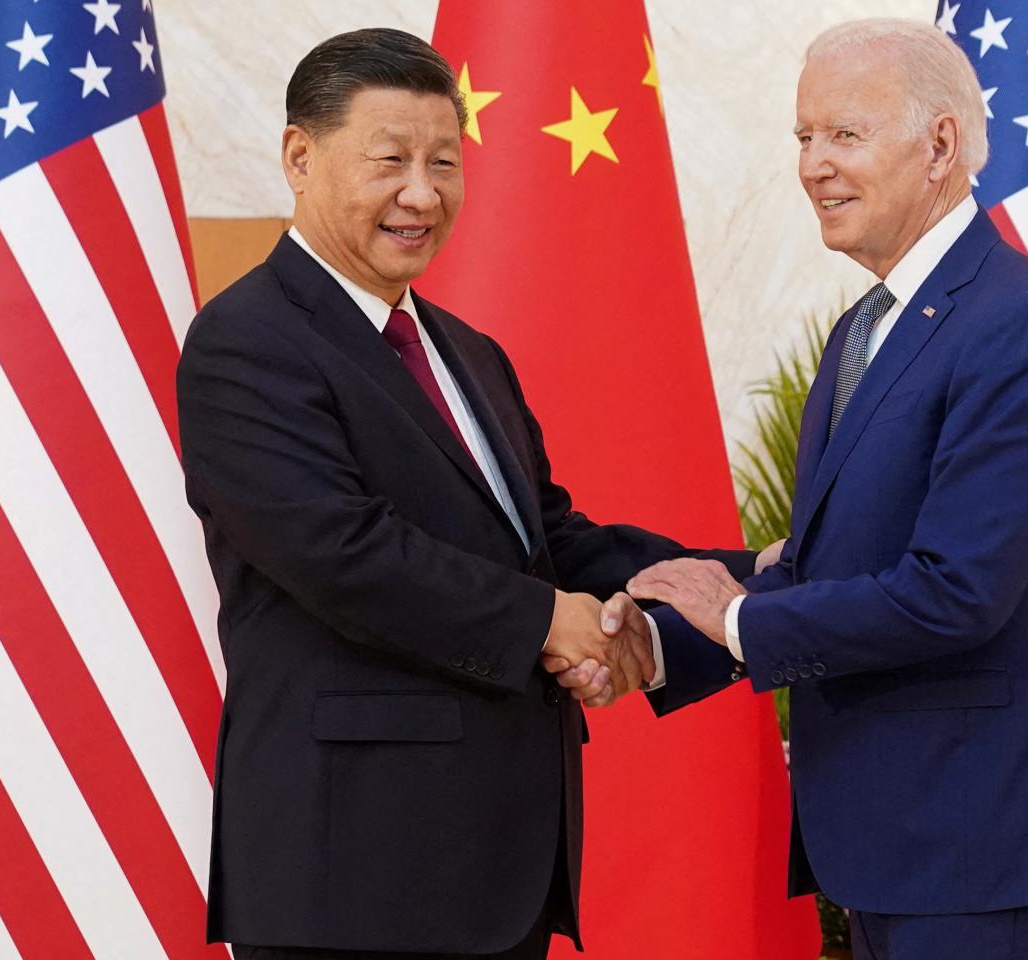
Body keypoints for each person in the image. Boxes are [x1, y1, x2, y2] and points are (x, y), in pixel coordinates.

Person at [176, 28, 761, 960]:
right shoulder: (244, 341)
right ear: (300, 156)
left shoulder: (468, 352)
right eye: (391, 161)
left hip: (496, 867)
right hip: (350, 877)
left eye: (444, 162)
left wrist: (745, 576)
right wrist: (550, 623)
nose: (423, 193)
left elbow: (552, 542)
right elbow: (343, 555)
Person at [586, 18, 1028, 960]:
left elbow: (957, 592)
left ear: (939, 145)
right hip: (888, 844)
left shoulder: (1019, 322)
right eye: (803, 136)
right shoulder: (867, 327)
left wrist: (735, 618)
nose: (813, 166)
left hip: (973, 847)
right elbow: (829, 565)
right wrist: (656, 648)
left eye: (844, 135)